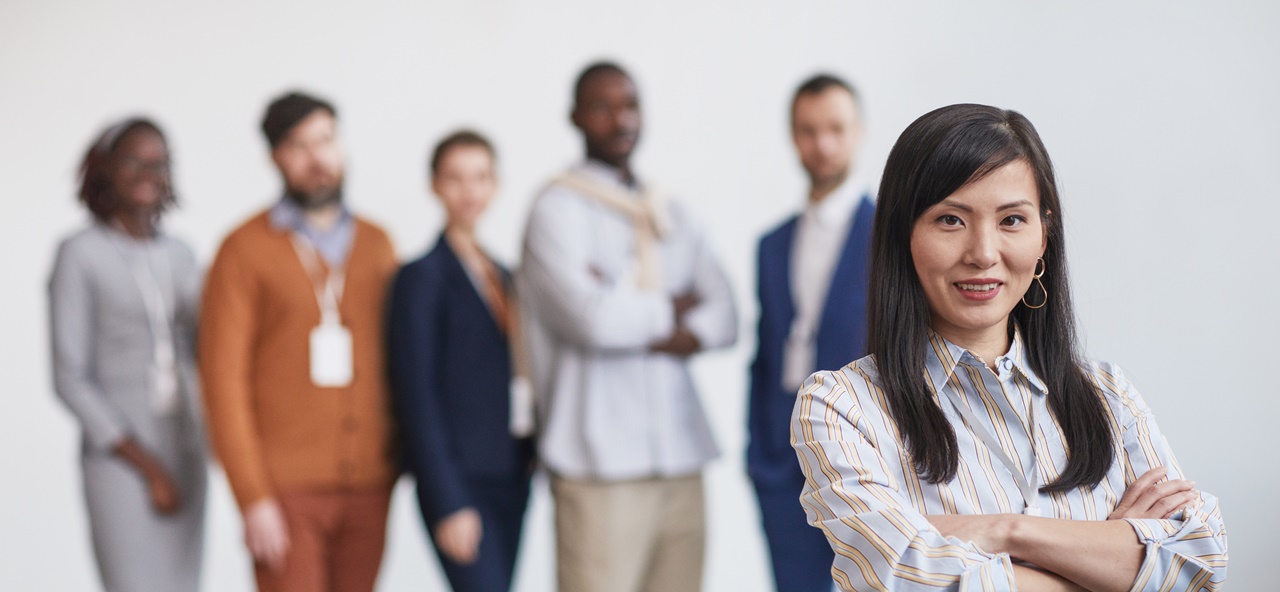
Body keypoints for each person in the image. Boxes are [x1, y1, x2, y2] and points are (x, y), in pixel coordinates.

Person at [791, 103, 1228, 591]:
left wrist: (1006, 531)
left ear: (1044, 236)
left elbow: (1200, 561)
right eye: (951, 219)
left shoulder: (1107, 394)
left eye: (1012, 220)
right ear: (902, 236)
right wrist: (1107, 560)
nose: (983, 253)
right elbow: (906, 576)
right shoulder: (842, 405)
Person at [517, 61, 739, 592]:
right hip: (598, 463)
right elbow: (591, 321)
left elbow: (727, 314)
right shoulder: (556, 210)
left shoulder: (670, 209)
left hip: (680, 456)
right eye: (603, 107)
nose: (621, 120)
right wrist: (674, 307)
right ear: (575, 117)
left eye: (630, 105)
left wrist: (629, 310)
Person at [199, 91, 399, 592]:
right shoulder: (243, 250)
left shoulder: (377, 245)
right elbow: (222, 384)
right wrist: (252, 496)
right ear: (276, 158)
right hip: (284, 491)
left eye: (326, 140)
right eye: (299, 146)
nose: (317, 158)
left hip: (369, 487)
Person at [49, 117, 207, 592]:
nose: (148, 173)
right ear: (107, 169)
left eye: (159, 163)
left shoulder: (181, 254)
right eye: (134, 161)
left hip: (184, 447)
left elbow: (207, 346)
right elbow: (70, 378)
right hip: (121, 458)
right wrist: (148, 468)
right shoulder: (81, 253)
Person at [388, 130, 535, 592]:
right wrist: (447, 498)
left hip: (511, 471)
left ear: (496, 184)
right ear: (434, 185)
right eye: (455, 178)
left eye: (480, 177)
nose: (469, 191)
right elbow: (417, 396)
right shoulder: (421, 278)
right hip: (460, 478)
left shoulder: (505, 275)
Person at [748, 73, 875, 592]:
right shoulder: (772, 243)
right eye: (808, 130)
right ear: (793, 136)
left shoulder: (892, 237)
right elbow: (765, 354)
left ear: (858, 132)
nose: (822, 144)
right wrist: (757, 451)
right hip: (782, 465)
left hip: (866, 463)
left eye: (836, 129)